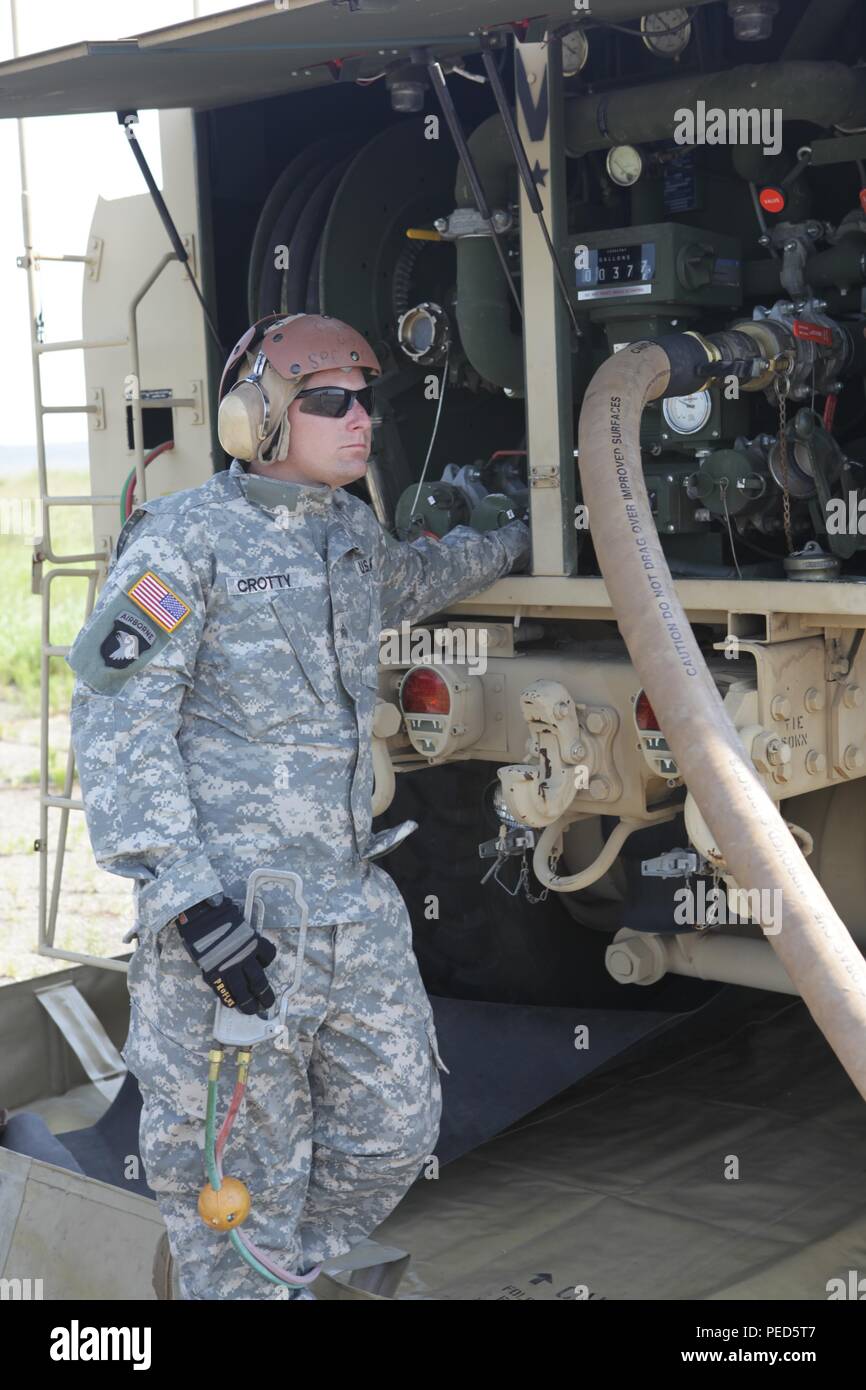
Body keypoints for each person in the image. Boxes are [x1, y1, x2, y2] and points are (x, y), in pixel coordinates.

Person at [67, 312, 531, 1300]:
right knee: (239, 1169)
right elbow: (114, 718)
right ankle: (239, 1279)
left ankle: (263, 1269)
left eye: (366, 399)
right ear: (258, 418)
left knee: (394, 1129)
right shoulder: (181, 541)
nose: (360, 418)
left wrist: (525, 533)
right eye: (331, 401)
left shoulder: (349, 531)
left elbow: (410, 581)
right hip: (233, 922)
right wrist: (193, 905)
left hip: (349, 904)